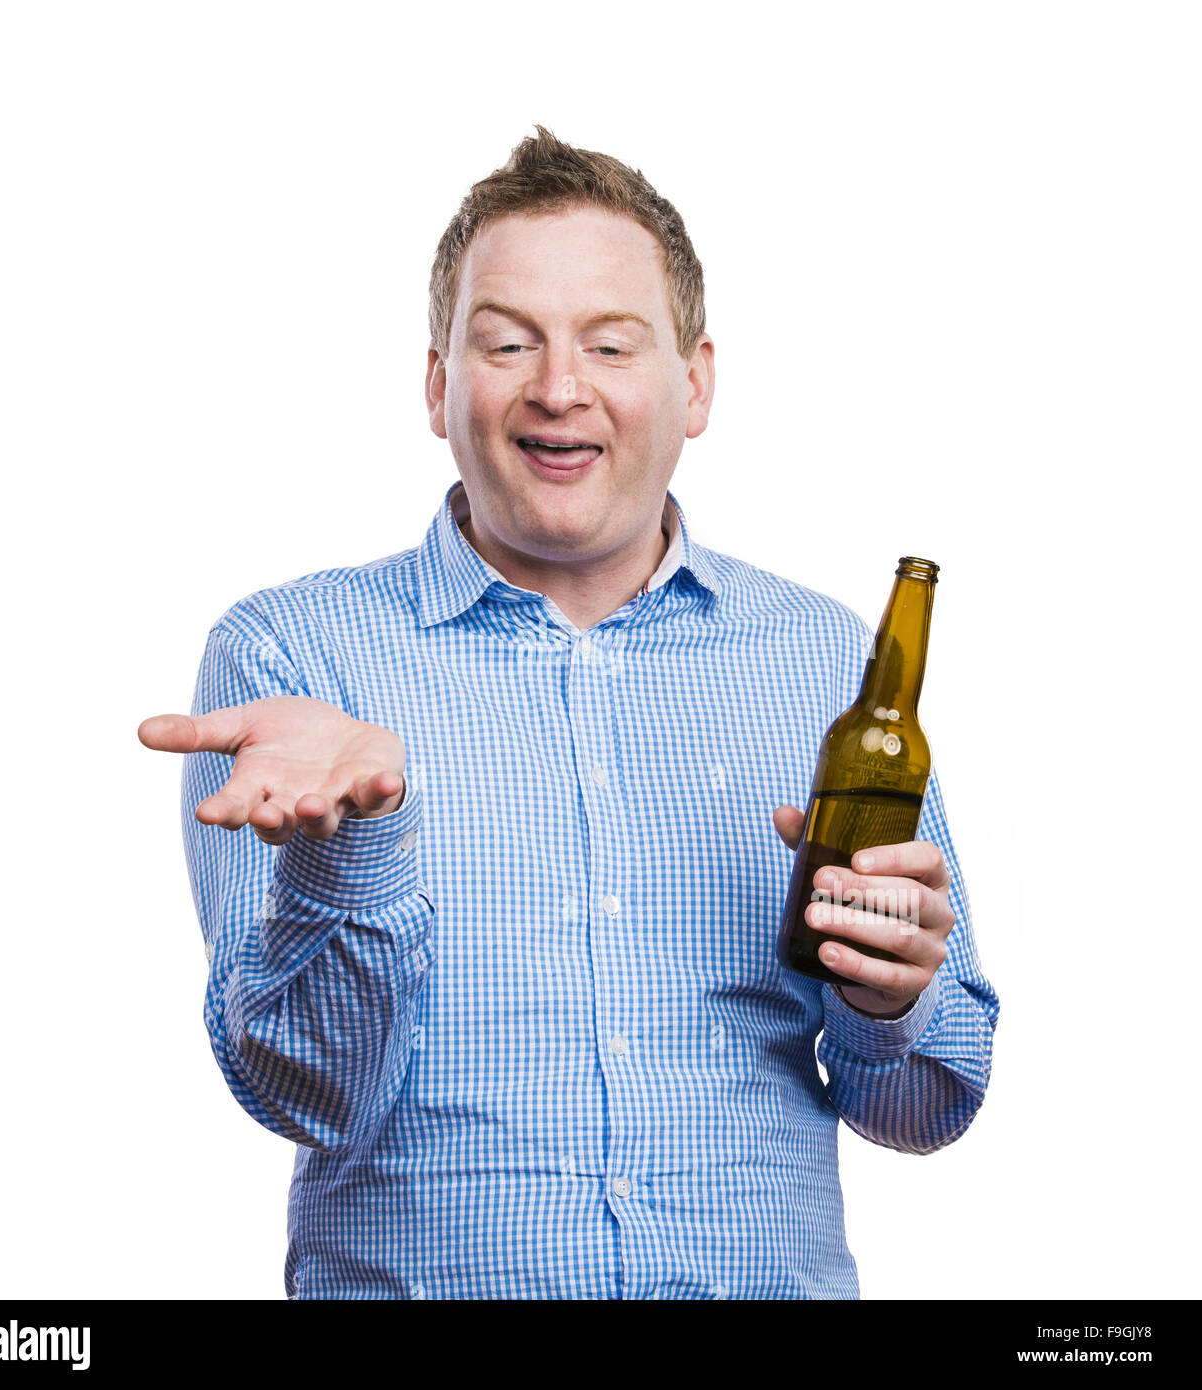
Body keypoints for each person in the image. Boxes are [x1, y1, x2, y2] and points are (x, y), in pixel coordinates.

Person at [139, 126, 998, 1300]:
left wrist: (887, 996)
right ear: (439, 382)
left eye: (610, 342)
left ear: (694, 383)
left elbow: (931, 1100)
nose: (558, 387)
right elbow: (305, 1092)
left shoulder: (821, 660)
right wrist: (349, 862)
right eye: (506, 342)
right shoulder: (293, 659)